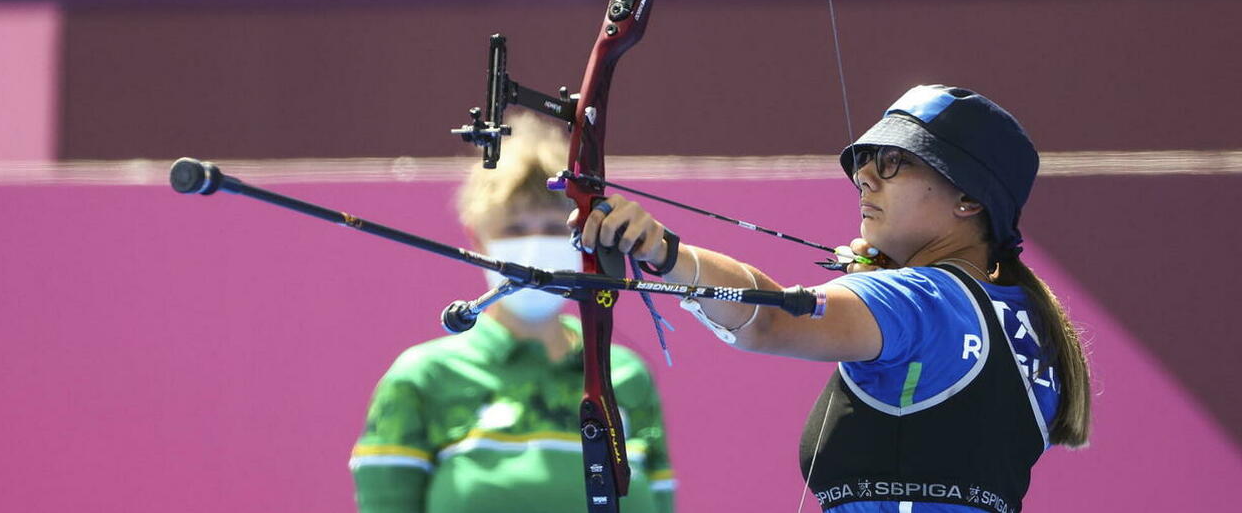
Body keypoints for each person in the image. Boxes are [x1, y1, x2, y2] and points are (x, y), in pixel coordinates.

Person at [574, 85, 1091, 513]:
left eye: (894, 163)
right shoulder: (1027, 318)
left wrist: (666, 254)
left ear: (969, 199)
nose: (864, 177)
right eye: (866, 161)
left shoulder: (921, 299)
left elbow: (771, 321)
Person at [349, 113, 676, 513]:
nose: (534, 245)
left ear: (583, 239)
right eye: (515, 228)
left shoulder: (624, 375)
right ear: (477, 239)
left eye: (555, 228)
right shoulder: (422, 378)